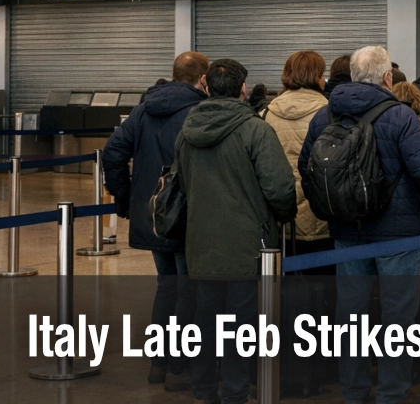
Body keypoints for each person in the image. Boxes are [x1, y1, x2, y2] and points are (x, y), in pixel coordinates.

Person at [300, 46, 420, 404]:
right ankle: (392, 393)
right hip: (398, 232)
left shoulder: (324, 115)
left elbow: (307, 168)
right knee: (398, 316)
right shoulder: (400, 117)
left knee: (351, 316)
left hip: (347, 229)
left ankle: (354, 391)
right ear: (387, 77)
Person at [176, 59, 296, 404]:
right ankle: (234, 391)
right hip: (248, 244)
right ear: (242, 89)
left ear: (206, 85)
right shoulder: (255, 130)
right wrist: (280, 217)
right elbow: (279, 188)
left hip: (200, 242)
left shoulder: (188, 129)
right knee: (241, 324)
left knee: (205, 317)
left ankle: (202, 388)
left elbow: (182, 182)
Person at [101, 51, 209, 389]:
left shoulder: (143, 109)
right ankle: (181, 363)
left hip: (153, 212)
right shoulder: (201, 110)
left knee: (167, 285)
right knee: (188, 287)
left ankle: (159, 363)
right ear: (203, 79)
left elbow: (114, 151)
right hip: (188, 214)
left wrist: (125, 197)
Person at [263, 51, 331, 264]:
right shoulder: (330, 113)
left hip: (280, 218)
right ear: (316, 77)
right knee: (324, 286)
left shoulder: (265, 114)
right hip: (321, 216)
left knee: (285, 288)